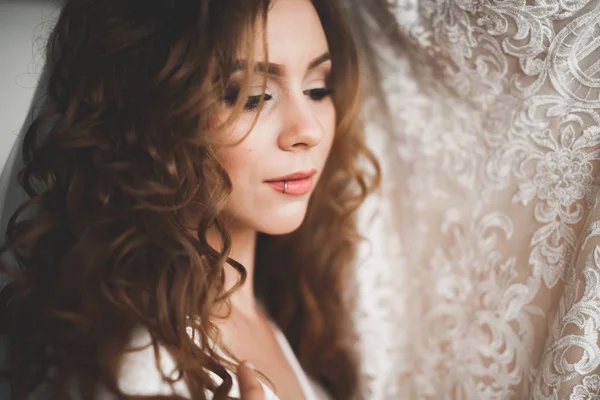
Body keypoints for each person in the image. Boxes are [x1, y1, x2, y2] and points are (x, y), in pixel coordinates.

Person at [0, 0, 380, 399]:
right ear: (154, 117)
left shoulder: (287, 308)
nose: (308, 131)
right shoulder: (140, 366)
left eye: (317, 89)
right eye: (253, 96)